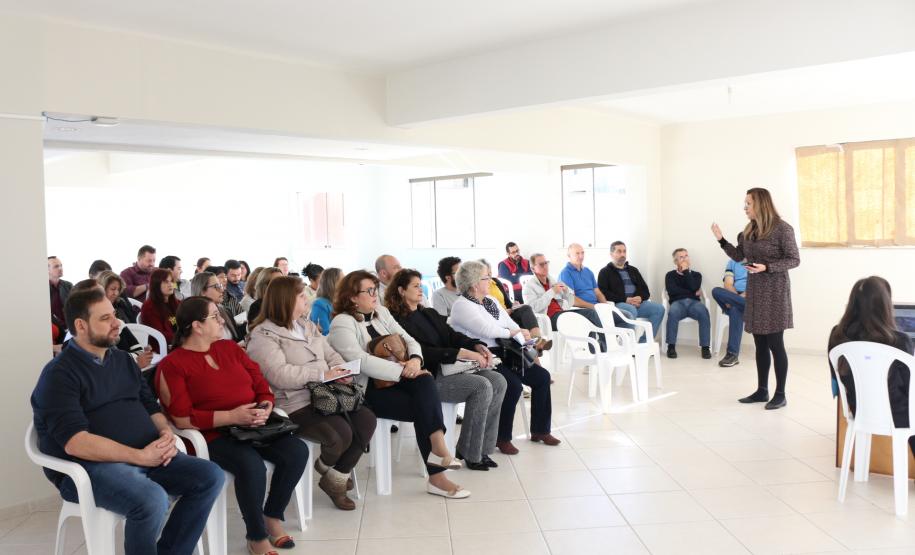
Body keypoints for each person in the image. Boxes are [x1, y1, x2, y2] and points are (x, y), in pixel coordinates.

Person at [31, 288, 224, 555]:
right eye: (106, 318)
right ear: (80, 325)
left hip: (146, 454)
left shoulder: (121, 359)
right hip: (90, 470)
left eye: (114, 316)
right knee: (151, 499)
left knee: (210, 476)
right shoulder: (59, 374)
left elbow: (148, 404)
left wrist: (166, 432)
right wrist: (140, 457)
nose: (116, 323)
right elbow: (76, 443)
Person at [157, 297, 308, 554]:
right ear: (197, 326)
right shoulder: (173, 364)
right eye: (214, 316)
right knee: (251, 466)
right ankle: (256, 535)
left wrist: (264, 406)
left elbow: (259, 383)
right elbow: (181, 419)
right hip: (212, 434)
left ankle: (271, 515)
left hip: (252, 424)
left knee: (296, 451)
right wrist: (232, 416)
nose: (221, 320)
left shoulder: (229, 348)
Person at [327, 270, 469, 499]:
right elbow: (360, 361)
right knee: (425, 402)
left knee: (424, 384)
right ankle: (438, 469)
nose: (375, 294)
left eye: (376, 289)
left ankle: (437, 452)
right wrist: (404, 371)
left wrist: (415, 360)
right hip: (367, 391)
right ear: (353, 296)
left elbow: (409, 340)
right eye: (369, 291)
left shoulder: (381, 313)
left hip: (399, 381)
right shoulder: (342, 323)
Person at [247, 277, 376, 510]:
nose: (307, 298)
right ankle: (329, 468)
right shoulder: (263, 335)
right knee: (340, 434)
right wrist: (323, 373)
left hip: (327, 393)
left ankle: (335, 479)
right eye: (301, 296)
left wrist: (342, 371)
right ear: (286, 300)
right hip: (294, 402)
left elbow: (331, 353)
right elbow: (279, 375)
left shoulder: (305, 325)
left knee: (366, 420)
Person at [386, 269, 507, 470]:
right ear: (400, 290)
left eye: (420, 284)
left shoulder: (428, 312)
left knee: (498, 381)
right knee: (482, 386)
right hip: (429, 377)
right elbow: (422, 352)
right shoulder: (397, 321)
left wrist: (475, 345)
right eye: (415, 286)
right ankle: (470, 452)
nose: (420, 289)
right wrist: (463, 354)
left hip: (450, 368)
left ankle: (482, 449)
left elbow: (451, 335)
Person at [449, 260, 559, 454]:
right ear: (475, 283)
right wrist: (513, 332)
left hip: (506, 350)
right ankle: (502, 437)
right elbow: (486, 329)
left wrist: (521, 333)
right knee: (512, 386)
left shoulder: (490, 301)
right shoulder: (462, 305)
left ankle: (540, 431)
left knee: (542, 377)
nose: (490, 281)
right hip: (482, 355)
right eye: (486, 277)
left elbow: (508, 322)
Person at [712, 187, 800, 410]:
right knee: (760, 343)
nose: (744, 208)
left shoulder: (782, 229)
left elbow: (794, 259)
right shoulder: (749, 230)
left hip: (775, 292)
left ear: (760, 204)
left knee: (775, 344)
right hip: (756, 291)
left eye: (748, 204)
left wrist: (767, 266)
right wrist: (721, 240)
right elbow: (739, 255)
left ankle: (780, 394)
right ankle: (762, 390)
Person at [828, 276, 915, 453]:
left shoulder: (837, 335)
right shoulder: (899, 340)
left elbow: (835, 377)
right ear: (885, 305)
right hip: (898, 415)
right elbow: (910, 387)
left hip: (859, 410)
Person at [597, 241, 665, 343]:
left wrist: (640, 298)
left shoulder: (633, 270)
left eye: (624, 251)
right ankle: (628, 346)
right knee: (630, 310)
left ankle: (644, 343)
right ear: (611, 254)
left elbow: (645, 290)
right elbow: (604, 293)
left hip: (637, 303)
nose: (622, 254)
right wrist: (625, 299)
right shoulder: (605, 272)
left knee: (659, 309)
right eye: (619, 251)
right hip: (619, 304)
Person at [523, 253, 605, 337]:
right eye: (541, 264)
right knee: (581, 322)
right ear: (533, 269)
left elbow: (570, 301)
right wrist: (552, 292)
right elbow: (532, 309)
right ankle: (586, 347)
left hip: (562, 313)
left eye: (546, 263)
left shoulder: (552, 281)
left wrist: (566, 290)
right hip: (548, 318)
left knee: (592, 314)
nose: (545, 266)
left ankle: (600, 346)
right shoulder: (529, 286)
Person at [480, 259, 552, 353]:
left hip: (508, 314)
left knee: (525, 308)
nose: (490, 277)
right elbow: (486, 312)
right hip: (497, 319)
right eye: (487, 275)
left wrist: (514, 305)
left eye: (490, 273)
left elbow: (508, 302)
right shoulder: (481, 289)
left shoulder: (496, 282)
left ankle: (538, 340)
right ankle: (535, 346)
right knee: (522, 326)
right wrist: (506, 312)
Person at [664, 248, 711, 359]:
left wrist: (686, 271)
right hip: (677, 303)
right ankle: (671, 347)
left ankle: (705, 348)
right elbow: (672, 291)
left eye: (686, 256)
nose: (685, 259)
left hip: (694, 303)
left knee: (704, 312)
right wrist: (692, 293)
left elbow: (694, 286)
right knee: (673, 312)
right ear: (676, 261)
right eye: (681, 257)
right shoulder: (670, 275)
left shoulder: (696, 275)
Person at [711, 259, 749, 367]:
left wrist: (732, 300)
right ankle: (732, 355)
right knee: (716, 291)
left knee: (735, 309)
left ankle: (732, 354)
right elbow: (728, 284)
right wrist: (733, 298)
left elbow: (757, 287)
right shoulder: (732, 262)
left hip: (751, 299)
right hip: (733, 295)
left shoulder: (758, 259)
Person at [190, 272, 241, 341]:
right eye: (216, 287)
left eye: (220, 286)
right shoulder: (194, 318)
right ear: (203, 291)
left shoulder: (226, 311)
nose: (222, 290)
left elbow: (236, 339)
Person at [140, 269, 180, 352]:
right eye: (166, 282)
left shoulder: (175, 302)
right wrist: (183, 338)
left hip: (176, 342)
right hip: (162, 347)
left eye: (171, 281)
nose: (170, 285)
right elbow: (159, 334)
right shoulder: (149, 307)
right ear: (156, 285)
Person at [309, 267, 343, 336]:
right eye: (342, 280)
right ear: (333, 283)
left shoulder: (340, 301)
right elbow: (325, 333)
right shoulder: (319, 304)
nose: (346, 282)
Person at [49, 256, 73, 334]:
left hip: (70, 328)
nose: (60, 268)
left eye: (61, 265)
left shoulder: (68, 285)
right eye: (56, 266)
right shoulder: (42, 290)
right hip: (54, 331)